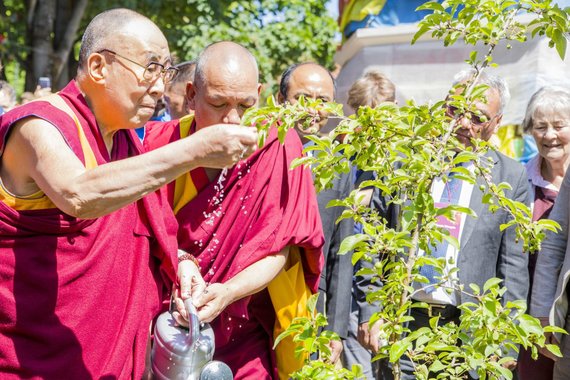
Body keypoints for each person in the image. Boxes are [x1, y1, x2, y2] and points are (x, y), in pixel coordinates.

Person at [0, 10, 258, 379]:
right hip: (36, 362)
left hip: (111, 364)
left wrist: (180, 260)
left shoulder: (124, 142)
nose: (158, 86)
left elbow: (143, 229)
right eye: (150, 67)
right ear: (98, 66)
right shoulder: (38, 125)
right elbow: (79, 194)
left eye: (165, 72)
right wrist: (195, 151)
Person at [144, 42, 324, 379]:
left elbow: (281, 249)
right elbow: (141, 239)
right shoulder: (161, 145)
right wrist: (181, 265)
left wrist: (228, 292)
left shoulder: (280, 145)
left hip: (244, 333)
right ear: (191, 95)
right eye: (218, 103)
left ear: (259, 93)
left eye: (245, 104)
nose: (233, 118)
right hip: (167, 325)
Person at [356, 69, 530, 379]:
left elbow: (513, 269)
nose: (462, 124)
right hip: (404, 323)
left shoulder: (509, 177)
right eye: (455, 110)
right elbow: (373, 240)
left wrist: (504, 343)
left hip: (470, 332)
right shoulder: (405, 163)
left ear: (497, 123)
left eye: (476, 117)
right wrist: (371, 313)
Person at [277, 62, 354, 365]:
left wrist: (335, 329)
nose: (312, 109)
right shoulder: (256, 149)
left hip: (310, 303)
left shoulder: (337, 166)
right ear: (280, 100)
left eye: (322, 101)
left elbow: (342, 251)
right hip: (253, 297)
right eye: (302, 98)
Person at [344, 69, 396, 379]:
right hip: (353, 286)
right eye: (367, 117)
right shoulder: (345, 158)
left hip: (394, 287)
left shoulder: (407, 160)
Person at [517, 86, 570, 380]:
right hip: (532, 314)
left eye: (559, 126)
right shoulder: (520, 181)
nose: (550, 135)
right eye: (540, 127)